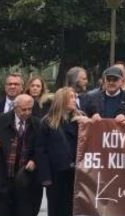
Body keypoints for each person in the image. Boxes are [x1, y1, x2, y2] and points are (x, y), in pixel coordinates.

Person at [37, 87, 87, 216]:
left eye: (75, 97)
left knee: (75, 209)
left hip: (78, 173)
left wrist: (87, 125)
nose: (74, 100)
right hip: (56, 174)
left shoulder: (81, 119)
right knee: (56, 208)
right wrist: (45, 177)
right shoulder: (48, 122)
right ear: (62, 100)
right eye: (70, 97)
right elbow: (41, 150)